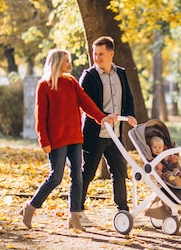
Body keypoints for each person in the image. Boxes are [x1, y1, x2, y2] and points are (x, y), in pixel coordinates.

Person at [20, 48, 117, 231]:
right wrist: (44, 141)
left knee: (77, 177)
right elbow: (41, 116)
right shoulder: (44, 86)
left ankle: (74, 217)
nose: (69, 64)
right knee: (55, 177)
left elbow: (86, 102)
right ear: (57, 63)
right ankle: (30, 208)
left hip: (74, 138)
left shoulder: (71, 82)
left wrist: (101, 117)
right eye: (66, 61)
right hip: (56, 140)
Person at [79, 36, 138, 225]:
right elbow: (85, 105)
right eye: (95, 54)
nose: (97, 57)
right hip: (95, 133)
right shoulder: (89, 76)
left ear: (111, 54)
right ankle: (77, 211)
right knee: (87, 172)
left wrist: (130, 115)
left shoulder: (120, 73)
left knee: (119, 172)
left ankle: (123, 212)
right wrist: (104, 116)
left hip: (116, 134)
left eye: (101, 54)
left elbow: (128, 98)